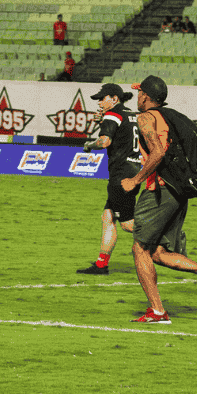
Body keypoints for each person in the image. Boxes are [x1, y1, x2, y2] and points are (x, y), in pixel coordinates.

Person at [121, 76, 197, 323]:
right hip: (178, 190)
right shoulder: (170, 116)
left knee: (140, 249)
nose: (137, 97)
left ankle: (157, 311)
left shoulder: (147, 117)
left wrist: (135, 180)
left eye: (139, 93)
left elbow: (157, 152)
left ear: (146, 96)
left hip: (160, 190)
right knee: (157, 252)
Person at [76, 84, 140, 275]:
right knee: (108, 217)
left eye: (102, 99)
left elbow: (105, 141)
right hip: (132, 170)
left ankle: (166, 236)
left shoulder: (113, 114)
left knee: (128, 224)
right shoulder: (131, 114)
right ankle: (101, 264)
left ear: (114, 99)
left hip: (120, 175)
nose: (100, 102)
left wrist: (89, 145)